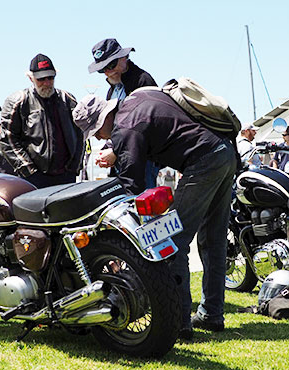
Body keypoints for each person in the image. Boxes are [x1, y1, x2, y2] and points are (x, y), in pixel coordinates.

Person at [73, 92, 237, 340]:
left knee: (170, 242)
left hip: (203, 161)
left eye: (95, 130)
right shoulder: (138, 100)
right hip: (224, 153)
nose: (97, 136)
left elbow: (131, 188)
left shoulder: (125, 128)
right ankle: (212, 314)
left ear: (104, 118)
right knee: (213, 240)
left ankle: (179, 322)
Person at [0, 54, 84, 188]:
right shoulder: (18, 102)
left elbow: (81, 133)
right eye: (41, 79)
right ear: (31, 78)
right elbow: (7, 139)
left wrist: (75, 166)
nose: (47, 83)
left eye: (50, 78)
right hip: (34, 178)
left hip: (66, 176)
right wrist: (29, 170)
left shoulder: (67, 99)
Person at [89, 38, 159, 188]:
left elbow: (143, 128)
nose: (107, 72)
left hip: (142, 161)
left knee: (141, 206)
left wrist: (115, 151)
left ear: (124, 57)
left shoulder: (143, 81)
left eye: (111, 65)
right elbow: (116, 129)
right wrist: (108, 149)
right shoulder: (112, 90)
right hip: (123, 160)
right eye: (102, 69)